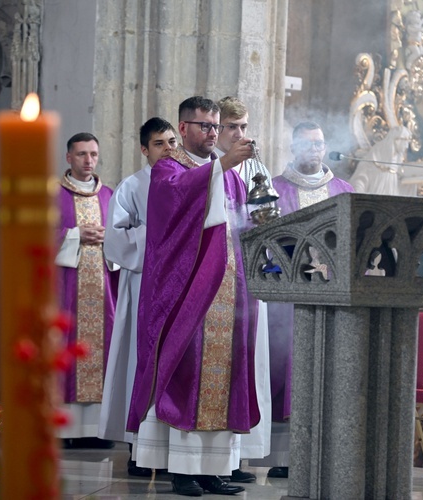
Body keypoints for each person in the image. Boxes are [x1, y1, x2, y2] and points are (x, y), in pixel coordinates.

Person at [126, 96, 260, 497]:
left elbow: (243, 224)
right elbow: (177, 204)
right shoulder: (169, 167)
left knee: (223, 377)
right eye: (205, 126)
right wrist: (222, 165)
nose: (213, 134)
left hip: (230, 291)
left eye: (217, 127)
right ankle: (182, 470)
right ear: (183, 129)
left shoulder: (232, 174)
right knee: (187, 375)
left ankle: (214, 470)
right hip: (189, 292)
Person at [251, 122, 354, 478]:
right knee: (287, 373)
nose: (315, 150)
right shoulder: (275, 189)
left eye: (320, 144)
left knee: (330, 375)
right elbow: (257, 239)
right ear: (294, 147)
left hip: (332, 302)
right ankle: (283, 458)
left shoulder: (344, 191)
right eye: (308, 144)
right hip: (287, 304)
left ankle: (325, 458)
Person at [98, 117, 177, 476]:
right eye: (159, 143)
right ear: (144, 150)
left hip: (179, 288)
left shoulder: (187, 181)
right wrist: (157, 239)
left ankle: (171, 446)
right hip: (142, 283)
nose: (168, 149)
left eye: (172, 141)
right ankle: (136, 446)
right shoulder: (131, 186)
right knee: (137, 360)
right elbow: (115, 239)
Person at [215, 96, 272, 483]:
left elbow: (267, 215)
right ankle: (211, 462)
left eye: (245, 127)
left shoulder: (255, 166)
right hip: (214, 279)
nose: (241, 135)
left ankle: (235, 459)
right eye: (233, 127)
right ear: (216, 130)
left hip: (247, 275)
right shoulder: (207, 167)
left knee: (247, 366)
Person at [56, 132, 118, 447]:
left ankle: (98, 429)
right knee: (66, 351)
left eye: (93, 154)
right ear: (69, 157)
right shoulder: (53, 195)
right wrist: (75, 234)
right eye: (81, 154)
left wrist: (111, 239)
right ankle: (67, 429)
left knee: (103, 350)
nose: (88, 161)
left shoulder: (109, 195)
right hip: (66, 291)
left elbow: (124, 236)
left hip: (103, 289)